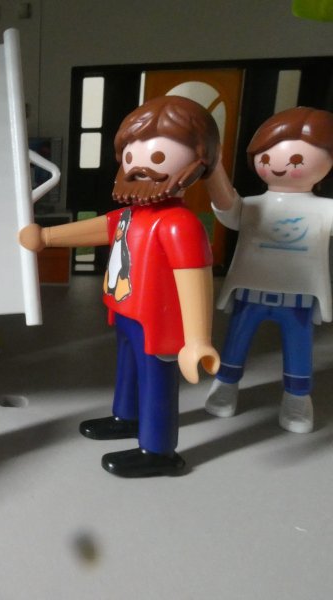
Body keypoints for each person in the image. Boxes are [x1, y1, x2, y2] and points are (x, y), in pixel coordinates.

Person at [19, 96, 220, 477]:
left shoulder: (179, 224)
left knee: (156, 381)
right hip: (127, 311)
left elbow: (194, 279)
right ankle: (126, 417)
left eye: (157, 156)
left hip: (158, 322)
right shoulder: (130, 214)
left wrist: (197, 340)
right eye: (130, 156)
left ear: (198, 164)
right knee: (128, 369)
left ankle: (159, 449)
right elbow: (99, 228)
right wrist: (46, 237)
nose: (139, 166)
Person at [204, 106, 333, 433]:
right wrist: (214, 170)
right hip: (251, 290)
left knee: (299, 347)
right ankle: (225, 384)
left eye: (296, 159)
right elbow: (227, 208)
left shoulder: (325, 209)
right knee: (236, 341)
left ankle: (297, 397)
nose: (277, 164)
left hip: (299, 295)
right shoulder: (251, 206)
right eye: (265, 156)